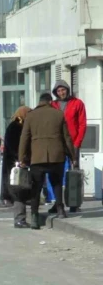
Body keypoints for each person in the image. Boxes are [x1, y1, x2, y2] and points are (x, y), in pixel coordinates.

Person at [19, 93, 76, 229]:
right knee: (56, 184)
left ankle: (34, 217)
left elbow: (24, 138)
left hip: (37, 158)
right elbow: (67, 137)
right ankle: (61, 210)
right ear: (50, 101)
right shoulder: (58, 114)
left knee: (36, 187)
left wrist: (22, 157)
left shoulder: (31, 116)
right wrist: (73, 156)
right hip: (57, 156)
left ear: (39, 101)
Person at [51, 80, 87, 213]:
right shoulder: (53, 105)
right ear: (55, 92)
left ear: (67, 89)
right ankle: (58, 203)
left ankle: (74, 202)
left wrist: (77, 143)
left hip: (73, 142)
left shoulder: (77, 103)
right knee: (57, 173)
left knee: (74, 173)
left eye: (63, 90)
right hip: (57, 143)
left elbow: (82, 124)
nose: (61, 92)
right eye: (58, 91)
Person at [3, 106, 32, 228]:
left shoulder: (19, 126)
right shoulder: (15, 127)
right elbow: (13, 146)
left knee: (20, 192)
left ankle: (21, 218)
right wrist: (21, 159)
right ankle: (19, 219)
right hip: (15, 165)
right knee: (19, 191)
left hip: (17, 163)